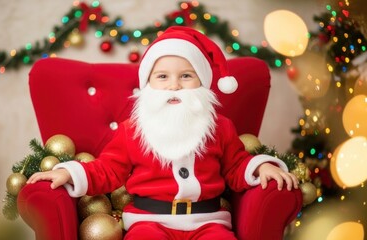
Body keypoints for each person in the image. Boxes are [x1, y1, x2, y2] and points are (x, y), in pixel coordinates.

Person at [27, 26, 299, 240]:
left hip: (208, 223)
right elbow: (108, 169)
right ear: (148, 84)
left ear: (202, 82)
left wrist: (261, 167)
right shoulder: (133, 130)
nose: (174, 86)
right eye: (163, 77)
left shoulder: (219, 127)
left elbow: (236, 165)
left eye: (186, 76)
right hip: (148, 222)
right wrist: (70, 173)